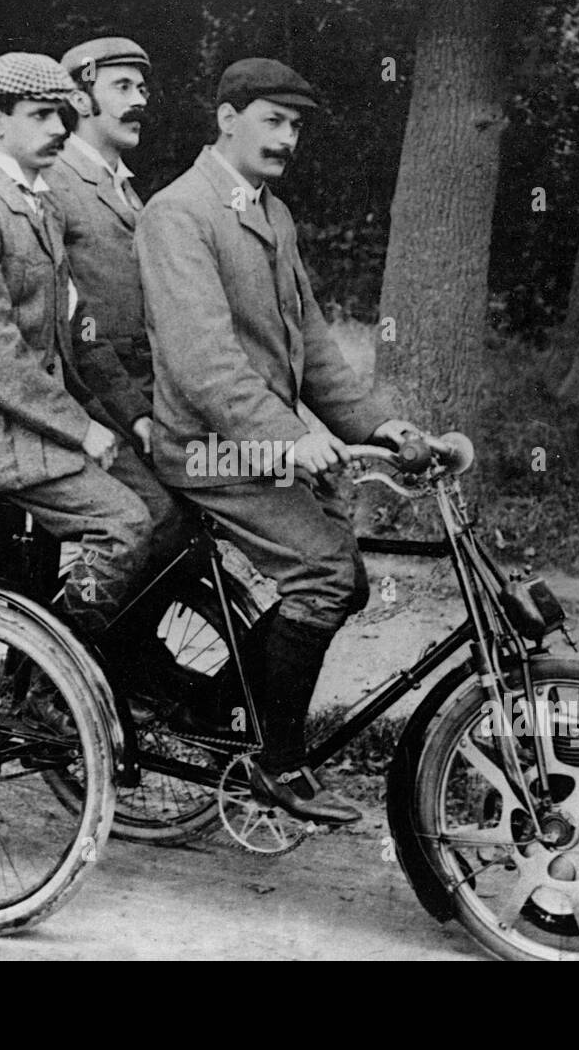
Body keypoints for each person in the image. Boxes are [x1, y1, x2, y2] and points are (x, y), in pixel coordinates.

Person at [136, 58, 420, 824]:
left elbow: (313, 343)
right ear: (226, 118)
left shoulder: (272, 213)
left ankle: (213, 705)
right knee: (326, 575)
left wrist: (372, 425)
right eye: (272, 120)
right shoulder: (178, 212)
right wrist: (289, 439)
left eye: (296, 126)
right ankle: (276, 758)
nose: (287, 137)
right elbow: (203, 365)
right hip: (207, 447)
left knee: (346, 582)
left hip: (259, 445)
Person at [0, 52, 150, 643]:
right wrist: (82, 429)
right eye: (43, 116)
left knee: (159, 515)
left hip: (31, 426)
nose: (59, 130)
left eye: (63, 117)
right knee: (123, 525)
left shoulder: (40, 204)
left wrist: (134, 417)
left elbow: (78, 328)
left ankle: (50, 673)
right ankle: (58, 679)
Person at [46, 37, 191, 579]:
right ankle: (70, 649)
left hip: (144, 387)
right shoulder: (56, 183)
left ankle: (127, 657)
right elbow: (64, 316)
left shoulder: (128, 189)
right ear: (81, 100)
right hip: (92, 395)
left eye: (143, 87)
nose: (141, 100)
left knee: (187, 528)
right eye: (122, 87)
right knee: (157, 524)